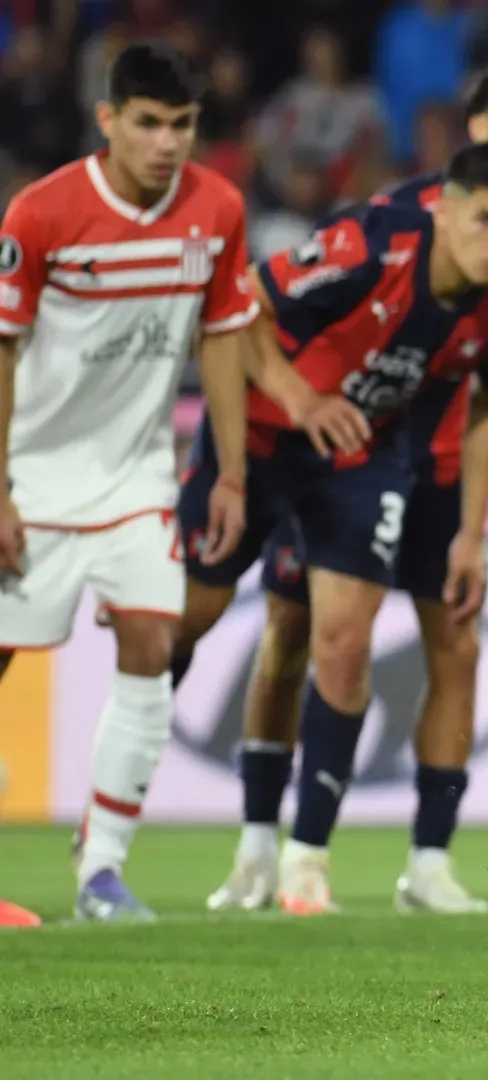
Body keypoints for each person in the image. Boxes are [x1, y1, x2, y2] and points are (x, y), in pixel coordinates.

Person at [205, 52, 488, 917]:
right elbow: (280, 305)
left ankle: (430, 861)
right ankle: (268, 844)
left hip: (444, 472)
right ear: (476, 130)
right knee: (297, 631)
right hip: (358, 451)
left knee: (455, 638)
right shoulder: (402, 220)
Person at [0, 42, 263, 922]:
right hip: (31, 477)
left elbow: (224, 337)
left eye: (181, 125)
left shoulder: (217, 209)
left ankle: (102, 872)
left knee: (154, 645)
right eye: (147, 123)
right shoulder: (40, 215)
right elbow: (2, 353)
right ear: (108, 120)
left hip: (137, 480)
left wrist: (228, 473)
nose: (165, 143)